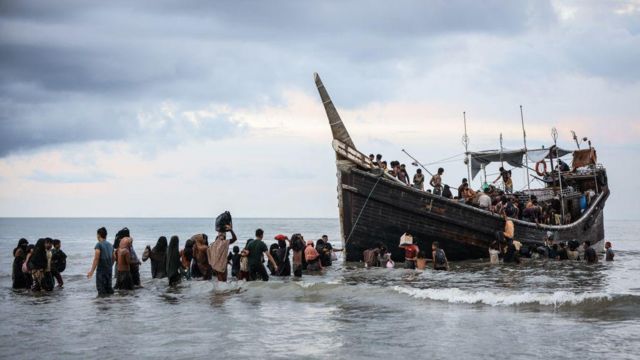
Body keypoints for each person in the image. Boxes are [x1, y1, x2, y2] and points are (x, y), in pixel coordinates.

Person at [87, 227, 114, 296]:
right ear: (106, 235)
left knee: (101, 292)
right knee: (108, 290)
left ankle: (102, 306)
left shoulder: (98, 245)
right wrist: (110, 266)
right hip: (109, 271)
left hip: (101, 272)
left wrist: (91, 272)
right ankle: (109, 305)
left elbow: (96, 258)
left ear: (98, 235)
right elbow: (114, 258)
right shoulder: (111, 245)